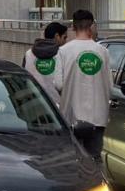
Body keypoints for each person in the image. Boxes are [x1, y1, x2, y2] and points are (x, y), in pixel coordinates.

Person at [54, 10, 111, 160]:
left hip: (71, 117)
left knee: (73, 160)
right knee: (94, 160)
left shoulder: (63, 51)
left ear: (73, 27)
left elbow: (58, 84)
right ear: (92, 26)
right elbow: (110, 86)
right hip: (97, 117)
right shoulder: (103, 52)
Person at [22, 21, 68, 105]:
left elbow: (23, 80)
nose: (66, 42)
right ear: (57, 36)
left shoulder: (28, 54)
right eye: (64, 37)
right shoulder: (62, 54)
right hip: (57, 106)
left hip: (34, 103)